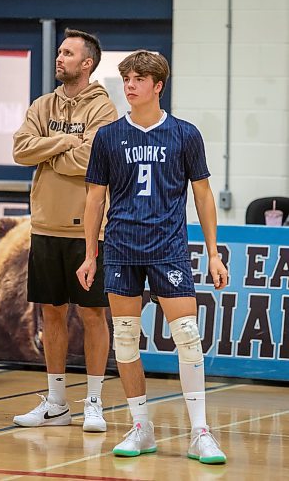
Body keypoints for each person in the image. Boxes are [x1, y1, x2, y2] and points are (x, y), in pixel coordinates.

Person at [77, 50, 228, 463]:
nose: (129, 85)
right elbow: (94, 199)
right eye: (126, 77)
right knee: (125, 338)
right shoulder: (108, 137)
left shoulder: (185, 134)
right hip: (122, 249)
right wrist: (91, 254)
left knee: (188, 339)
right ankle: (140, 426)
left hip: (169, 249)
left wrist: (214, 254)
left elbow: (202, 194)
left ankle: (201, 432)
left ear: (158, 86)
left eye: (139, 79)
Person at [12, 28, 117, 431]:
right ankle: (56, 402)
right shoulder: (42, 104)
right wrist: (62, 144)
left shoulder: (103, 109)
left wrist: (47, 146)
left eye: (67, 53)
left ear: (86, 63)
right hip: (44, 225)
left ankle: (93, 400)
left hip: (88, 232)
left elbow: (91, 159)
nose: (59, 57)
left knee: (93, 314)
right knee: (50, 314)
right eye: (59, 51)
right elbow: (21, 150)